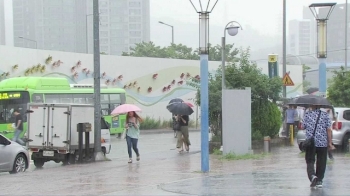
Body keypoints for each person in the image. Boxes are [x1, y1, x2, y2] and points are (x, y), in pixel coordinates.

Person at [302, 105, 335, 188]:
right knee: (322, 161)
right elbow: (329, 130)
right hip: (322, 142)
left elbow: (303, 126)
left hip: (310, 142)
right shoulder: (325, 115)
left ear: (311, 106)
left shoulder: (307, 115)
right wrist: (330, 142)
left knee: (310, 161)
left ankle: (312, 176)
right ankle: (319, 180)